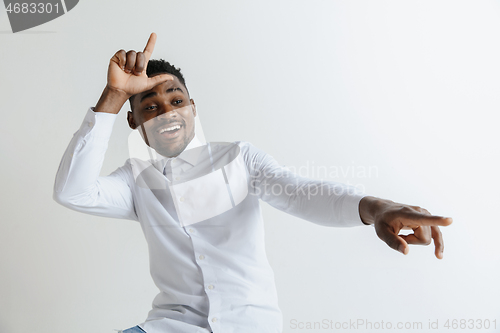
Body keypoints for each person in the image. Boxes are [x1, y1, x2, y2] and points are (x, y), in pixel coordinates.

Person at [53, 33, 452, 333]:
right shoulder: (135, 181)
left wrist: (375, 207)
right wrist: (113, 95)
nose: (166, 112)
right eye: (149, 106)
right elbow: (74, 191)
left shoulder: (238, 159)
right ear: (134, 121)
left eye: (176, 100)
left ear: (193, 108)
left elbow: (300, 192)